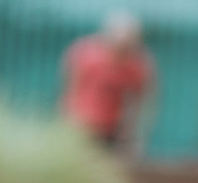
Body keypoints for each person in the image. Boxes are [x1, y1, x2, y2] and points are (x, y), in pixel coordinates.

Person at [59, 10, 156, 155]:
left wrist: (134, 134)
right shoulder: (85, 54)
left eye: (128, 45)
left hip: (113, 130)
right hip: (82, 125)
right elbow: (69, 89)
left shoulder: (138, 64)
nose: (123, 50)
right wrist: (67, 120)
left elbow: (142, 102)